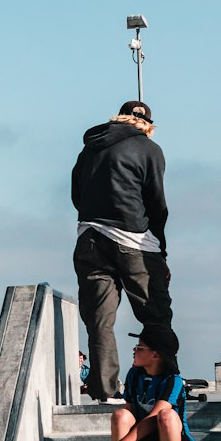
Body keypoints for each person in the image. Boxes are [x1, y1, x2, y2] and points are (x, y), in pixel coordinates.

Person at [72, 99, 172, 403]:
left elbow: (77, 194)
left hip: (89, 237)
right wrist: (162, 250)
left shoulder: (90, 147)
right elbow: (156, 203)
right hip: (134, 241)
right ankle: (166, 386)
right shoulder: (148, 149)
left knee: (99, 319)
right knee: (155, 314)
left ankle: (106, 392)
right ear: (148, 125)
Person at [107, 324, 196, 441]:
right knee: (121, 415)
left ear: (155, 355)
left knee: (166, 415)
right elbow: (130, 413)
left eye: (139, 348)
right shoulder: (134, 375)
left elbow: (153, 419)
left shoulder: (173, 380)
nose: (134, 350)